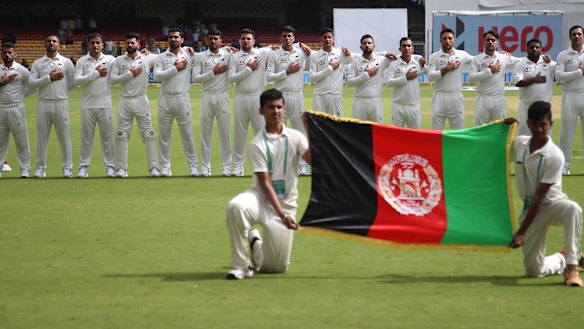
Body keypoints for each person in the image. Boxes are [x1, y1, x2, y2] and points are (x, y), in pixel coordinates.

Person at [225, 88, 311, 280]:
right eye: (271, 107)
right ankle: (241, 266)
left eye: (279, 107)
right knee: (236, 207)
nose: (276, 111)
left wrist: (309, 130)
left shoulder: (296, 137)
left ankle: (255, 243)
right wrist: (283, 216)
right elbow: (265, 184)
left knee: (276, 267)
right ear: (261, 111)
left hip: (287, 204)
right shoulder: (257, 144)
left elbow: (314, 160)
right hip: (260, 199)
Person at [509, 101, 583, 287]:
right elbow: (495, 149)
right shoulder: (520, 144)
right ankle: (563, 258)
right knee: (534, 271)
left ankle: (572, 267)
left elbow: (540, 197)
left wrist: (521, 232)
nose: (539, 129)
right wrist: (502, 129)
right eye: (535, 124)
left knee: (573, 209)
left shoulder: (555, 156)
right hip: (530, 211)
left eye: (543, 124)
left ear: (551, 125)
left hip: (552, 205)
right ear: (528, 124)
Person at [110, 32, 160, 177]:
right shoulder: (119, 60)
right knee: (121, 135)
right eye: (127, 43)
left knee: (149, 134)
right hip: (124, 100)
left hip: (141, 100)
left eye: (132, 43)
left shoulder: (147, 58)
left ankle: (154, 168)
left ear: (138, 44)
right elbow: (112, 80)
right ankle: (121, 169)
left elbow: (168, 55)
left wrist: (189, 50)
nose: (130, 45)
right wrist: (130, 74)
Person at [153, 27, 199, 177]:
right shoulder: (161, 57)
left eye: (176, 37)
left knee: (187, 134)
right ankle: (165, 167)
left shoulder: (189, 54)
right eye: (171, 37)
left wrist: (227, 48)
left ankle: (193, 166)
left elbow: (207, 56)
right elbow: (157, 77)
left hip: (182, 98)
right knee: (164, 136)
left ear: (182, 40)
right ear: (168, 40)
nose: (173, 39)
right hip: (165, 99)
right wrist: (175, 68)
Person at [266, 25, 311, 175]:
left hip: (297, 95)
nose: (287, 38)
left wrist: (302, 45)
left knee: (300, 132)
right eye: (284, 36)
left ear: (294, 38)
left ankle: (303, 165)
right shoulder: (274, 55)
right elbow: (269, 76)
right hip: (280, 98)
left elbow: (317, 55)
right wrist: (287, 72)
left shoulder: (301, 52)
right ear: (280, 38)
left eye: (290, 36)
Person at [29, 34, 75, 178]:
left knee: (64, 137)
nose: (51, 43)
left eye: (54, 41)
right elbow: (32, 83)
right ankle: (40, 168)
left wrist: (60, 91)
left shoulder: (66, 62)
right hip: (44, 103)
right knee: (41, 138)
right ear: (44, 44)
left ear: (59, 45)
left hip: (61, 103)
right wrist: (49, 78)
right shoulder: (38, 63)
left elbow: (73, 83)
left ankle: (67, 167)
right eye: (48, 41)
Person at [228, 28, 272, 177]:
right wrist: (248, 69)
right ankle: (238, 167)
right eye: (243, 39)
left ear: (254, 41)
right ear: (239, 41)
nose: (246, 41)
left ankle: (263, 166)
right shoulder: (235, 57)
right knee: (240, 134)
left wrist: (300, 45)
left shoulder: (262, 53)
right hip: (240, 97)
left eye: (248, 39)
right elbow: (231, 78)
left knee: (261, 133)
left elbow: (283, 47)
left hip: (257, 97)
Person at [73, 33, 116, 178]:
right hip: (87, 105)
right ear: (88, 44)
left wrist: (144, 53)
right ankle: (83, 167)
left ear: (103, 44)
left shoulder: (110, 60)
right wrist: (95, 74)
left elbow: (126, 62)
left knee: (107, 138)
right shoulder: (82, 61)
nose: (95, 45)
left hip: (105, 105)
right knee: (86, 138)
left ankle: (110, 167)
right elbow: (76, 81)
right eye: (92, 43)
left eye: (98, 43)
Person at [191, 29, 233, 177]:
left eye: (216, 39)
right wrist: (213, 72)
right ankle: (205, 167)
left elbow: (252, 51)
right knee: (205, 133)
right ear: (206, 40)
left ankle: (227, 167)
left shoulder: (229, 55)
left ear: (221, 41)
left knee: (225, 133)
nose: (213, 41)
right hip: (207, 96)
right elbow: (195, 78)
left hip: (222, 96)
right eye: (211, 39)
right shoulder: (200, 56)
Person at [469, 30, 520, 126]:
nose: (490, 42)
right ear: (483, 42)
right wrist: (489, 71)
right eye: (488, 40)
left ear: (497, 43)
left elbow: (521, 61)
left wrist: (542, 58)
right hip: (482, 99)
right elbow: (471, 78)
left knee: (499, 128)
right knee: (480, 130)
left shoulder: (504, 57)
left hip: (498, 99)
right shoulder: (476, 59)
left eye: (493, 40)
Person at [427, 28, 472, 130]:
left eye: (450, 38)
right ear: (440, 40)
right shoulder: (434, 56)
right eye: (444, 38)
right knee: (436, 131)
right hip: (439, 97)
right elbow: (430, 76)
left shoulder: (461, 54)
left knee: (459, 131)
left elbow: (477, 60)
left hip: (455, 96)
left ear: (454, 40)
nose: (447, 41)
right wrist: (446, 69)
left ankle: (457, 146)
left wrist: (497, 55)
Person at [0, 42, 32, 178]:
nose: (7, 55)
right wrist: (3, 81)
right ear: (1, 54)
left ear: (15, 54)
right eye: (4, 52)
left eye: (10, 52)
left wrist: (20, 97)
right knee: (1, 141)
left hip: (16, 109)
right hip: (1, 108)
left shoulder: (21, 70)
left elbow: (33, 86)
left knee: (21, 141)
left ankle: (25, 169)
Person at [556, 25, 584, 176]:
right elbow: (559, 76)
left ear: (583, 36)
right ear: (570, 37)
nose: (577, 37)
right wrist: (579, 72)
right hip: (570, 96)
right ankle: (565, 165)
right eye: (574, 34)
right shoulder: (563, 55)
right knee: (566, 133)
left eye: (579, 34)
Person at [512, 38, 555, 137]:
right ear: (527, 49)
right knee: (524, 137)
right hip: (526, 107)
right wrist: (534, 80)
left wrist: (551, 62)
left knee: (546, 137)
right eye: (532, 47)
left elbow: (560, 73)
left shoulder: (549, 63)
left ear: (541, 49)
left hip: (544, 108)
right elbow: (518, 82)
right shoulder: (521, 64)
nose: (534, 49)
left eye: (537, 47)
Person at [346, 34, 392, 123]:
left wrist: (420, 58)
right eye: (365, 43)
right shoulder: (355, 62)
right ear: (361, 46)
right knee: (358, 131)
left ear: (374, 46)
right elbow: (349, 82)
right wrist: (366, 74)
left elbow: (401, 58)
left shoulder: (382, 60)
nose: (367, 45)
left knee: (378, 131)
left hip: (375, 102)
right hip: (359, 102)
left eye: (369, 43)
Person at [309, 28, 353, 117]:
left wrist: (349, 54)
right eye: (325, 37)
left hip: (335, 95)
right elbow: (312, 78)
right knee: (318, 126)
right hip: (319, 96)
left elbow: (356, 58)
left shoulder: (341, 53)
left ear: (333, 39)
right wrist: (330, 68)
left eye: (329, 37)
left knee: (336, 126)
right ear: (321, 39)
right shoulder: (315, 56)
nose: (327, 39)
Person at [386, 37, 426, 128]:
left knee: (415, 136)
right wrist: (405, 78)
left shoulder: (418, 62)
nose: (406, 48)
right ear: (400, 49)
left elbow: (431, 74)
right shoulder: (394, 63)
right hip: (398, 106)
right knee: (397, 136)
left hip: (414, 106)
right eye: (404, 46)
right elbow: (388, 82)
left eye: (409, 46)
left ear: (412, 48)